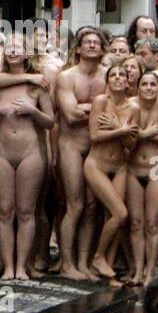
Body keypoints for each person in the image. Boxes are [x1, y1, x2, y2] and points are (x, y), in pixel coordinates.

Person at [0, 35, 55, 281]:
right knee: (4, 210)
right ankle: (8, 265)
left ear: (26, 54)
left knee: (26, 211)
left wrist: (32, 111)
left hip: (29, 151)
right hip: (3, 151)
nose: (12, 51)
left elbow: (50, 121)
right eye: (8, 48)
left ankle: (22, 266)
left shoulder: (38, 85)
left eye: (18, 48)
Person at [53, 28, 109, 280]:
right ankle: (67, 263)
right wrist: (95, 109)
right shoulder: (66, 77)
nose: (92, 46)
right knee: (73, 204)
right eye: (87, 42)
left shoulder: (108, 76)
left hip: (97, 147)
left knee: (91, 206)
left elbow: (116, 112)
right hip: (71, 145)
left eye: (96, 42)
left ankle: (84, 262)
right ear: (77, 48)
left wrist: (84, 108)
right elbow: (70, 115)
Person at [85, 62, 136, 279]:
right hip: (97, 163)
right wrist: (122, 130)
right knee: (120, 213)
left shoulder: (133, 107)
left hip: (120, 165)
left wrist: (117, 128)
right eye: (113, 75)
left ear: (127, 82)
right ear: (107, 81)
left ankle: (109, 266)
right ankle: (98, 256)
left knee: (114, 217)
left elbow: (131, 144)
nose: (117, 78)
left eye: (121, 75)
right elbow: (95, 136)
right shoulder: (100, 101)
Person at [125, 71, 158, 286]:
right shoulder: (131, 105)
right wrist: (145, 134)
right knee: (136, 222)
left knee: (152, 222)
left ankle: (151, 271)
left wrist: (146, 134)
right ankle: (138, 269)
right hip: (134, 167)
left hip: (155, 166)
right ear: (137, 87)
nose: (148, 88)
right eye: (144, 84)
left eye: (152, 84)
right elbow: (126, 139)